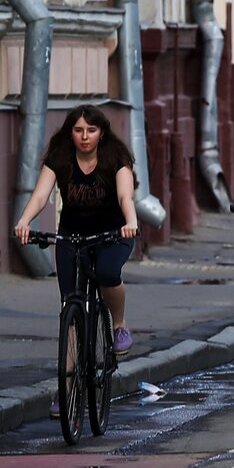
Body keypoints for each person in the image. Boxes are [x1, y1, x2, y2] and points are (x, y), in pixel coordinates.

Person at [13, 105, 140, 370]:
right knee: (70, 306)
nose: (85, 136)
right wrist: (25, 221)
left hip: (113, 232)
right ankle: (67, 390)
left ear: (101, 133)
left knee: (107, 273)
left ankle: (119, 325)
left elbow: (124, 196)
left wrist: (131, 222)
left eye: (91, 130)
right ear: (70, 133)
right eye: (78, 130)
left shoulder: (115, 157)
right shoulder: (60, 158)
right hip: (72, 235)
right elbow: (39, 195)